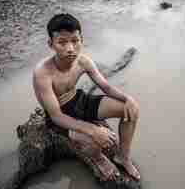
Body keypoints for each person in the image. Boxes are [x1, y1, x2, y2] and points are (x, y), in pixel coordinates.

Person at [32, 13, 140, 180]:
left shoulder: (83, 61)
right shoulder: (43, 72)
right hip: (59, 118)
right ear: (50, 44)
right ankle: (98, 159)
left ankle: (122, 157)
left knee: (131, 110)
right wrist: (93, 130)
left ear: (81, 39)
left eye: (75, 41)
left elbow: (105, 86)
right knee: (92, 139)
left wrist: (127, 99)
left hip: (79, 100)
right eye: (62, 42)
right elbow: (56, 116)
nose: (70, 48)